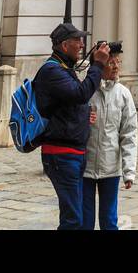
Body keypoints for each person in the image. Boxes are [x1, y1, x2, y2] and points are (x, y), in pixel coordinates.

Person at [33, 23, 110, 230]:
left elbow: (70, 102)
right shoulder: (52, 71)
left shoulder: (64, 69)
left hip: (72, 152)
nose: (82, 45)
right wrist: (98, 65)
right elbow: (81, 94)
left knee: (75, 216)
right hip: (61, 154)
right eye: (78, 41)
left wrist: (84, 114)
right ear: (65, 45)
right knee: (72, 219)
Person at [83, 49, 137, 230]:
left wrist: (129, 170)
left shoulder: (123, 94)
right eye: (111, 62)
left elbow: (129, 134)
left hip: (110, 168)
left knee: (109, 220)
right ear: (99, 66)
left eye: (118, 62)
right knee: (85, 220)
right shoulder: (86, 91)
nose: (115, 67)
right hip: (85, 167)